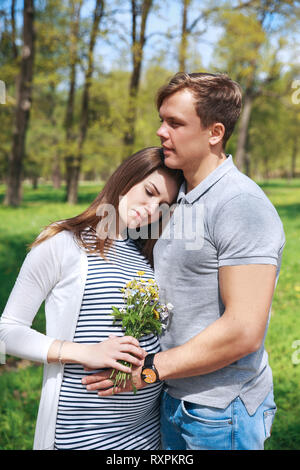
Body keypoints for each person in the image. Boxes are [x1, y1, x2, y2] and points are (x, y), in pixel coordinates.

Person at [82, 73, 286, 451]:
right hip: (175, 399)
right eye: (162, 119)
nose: (161, 131)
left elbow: (244, 329)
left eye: (175, 123)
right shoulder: (183, 197)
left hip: (220, 412)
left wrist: (150, 371)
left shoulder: (240, 205)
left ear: (214, 132)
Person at [0, 146, 182, 450]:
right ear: (126, 178)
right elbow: (6, 331)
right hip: (81, 438)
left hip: (146, 437)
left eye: (163, 204)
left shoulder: (149, 258)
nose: (152, 209)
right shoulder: (63, 244)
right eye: (149, 192)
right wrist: (85, 353)